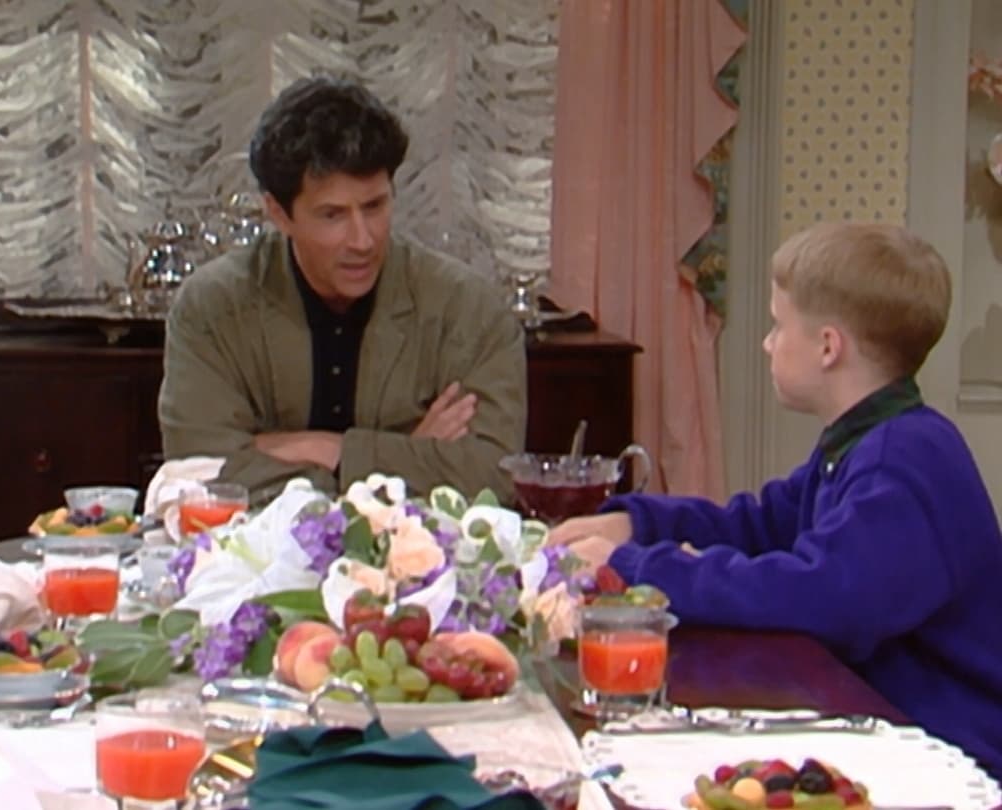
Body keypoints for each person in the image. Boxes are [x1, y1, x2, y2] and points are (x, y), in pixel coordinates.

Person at [548, 222, 1002, 778]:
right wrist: (637, 524)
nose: (767, 342)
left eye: (778, 325)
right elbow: (761, 525)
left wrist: (639, 568)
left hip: (953, 753)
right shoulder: (863, 441)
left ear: (828, 347)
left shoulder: (903, 460)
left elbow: (821, 598)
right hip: (885, 724)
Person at [159, 76, 528, 503]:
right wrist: (404, 456)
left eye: (375, 206)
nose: (362, 240)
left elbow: (495, 476)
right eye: (332, 215)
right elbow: (196, 473)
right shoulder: (212, 308)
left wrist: (327, 450)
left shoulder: (469, 310)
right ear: (278, 213)